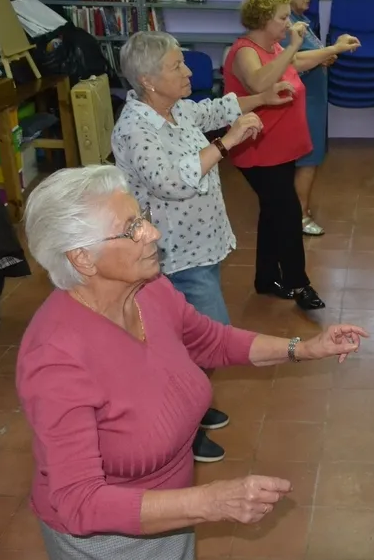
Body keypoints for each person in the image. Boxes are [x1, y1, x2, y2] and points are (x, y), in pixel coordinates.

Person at [16, 165, 369, 560]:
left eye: (144, 218)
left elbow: (210, 341)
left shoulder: (149, 289)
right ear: (82, 258)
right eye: (132, 228)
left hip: (169, 516)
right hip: (109, 542)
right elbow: (79, 503)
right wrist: (209, 502)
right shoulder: (55, 360)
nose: (153, 233)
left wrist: (302, 348)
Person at [112, 30, 295, 464]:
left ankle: (190, 406)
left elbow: (214, 107)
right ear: (148, 80)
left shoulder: (173, 110)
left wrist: (263, 97)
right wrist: (226, 143)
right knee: (205, 340)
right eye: (177, 65)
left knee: (188, 338)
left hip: (199, 248)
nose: (189, 70)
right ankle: (180, 427)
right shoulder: (137, 128)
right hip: (171, 257)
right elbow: (172, 182)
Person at [223, 0, 359, 310]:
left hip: (280, 149)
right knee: (287, 211)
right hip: (257, 151)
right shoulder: (244, 51)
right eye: (283, 18)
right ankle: (298, 283)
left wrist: (331, 49)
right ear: (263, 20)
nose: (288, 23)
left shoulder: (273, 46)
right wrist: (294, 45)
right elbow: (259, 82)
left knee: (273, 211)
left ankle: (266, 277)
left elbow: (295, 62)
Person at [274, 0, 332, 236]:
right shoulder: (288, 26)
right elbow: (294, 63)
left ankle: (295, 211)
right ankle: (301, 216)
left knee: (307, 159)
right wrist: (333, 50)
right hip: (303, 101)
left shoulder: (299, 19)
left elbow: (311, 55)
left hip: (313, 98)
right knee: (308, 159)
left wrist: (324, 56)